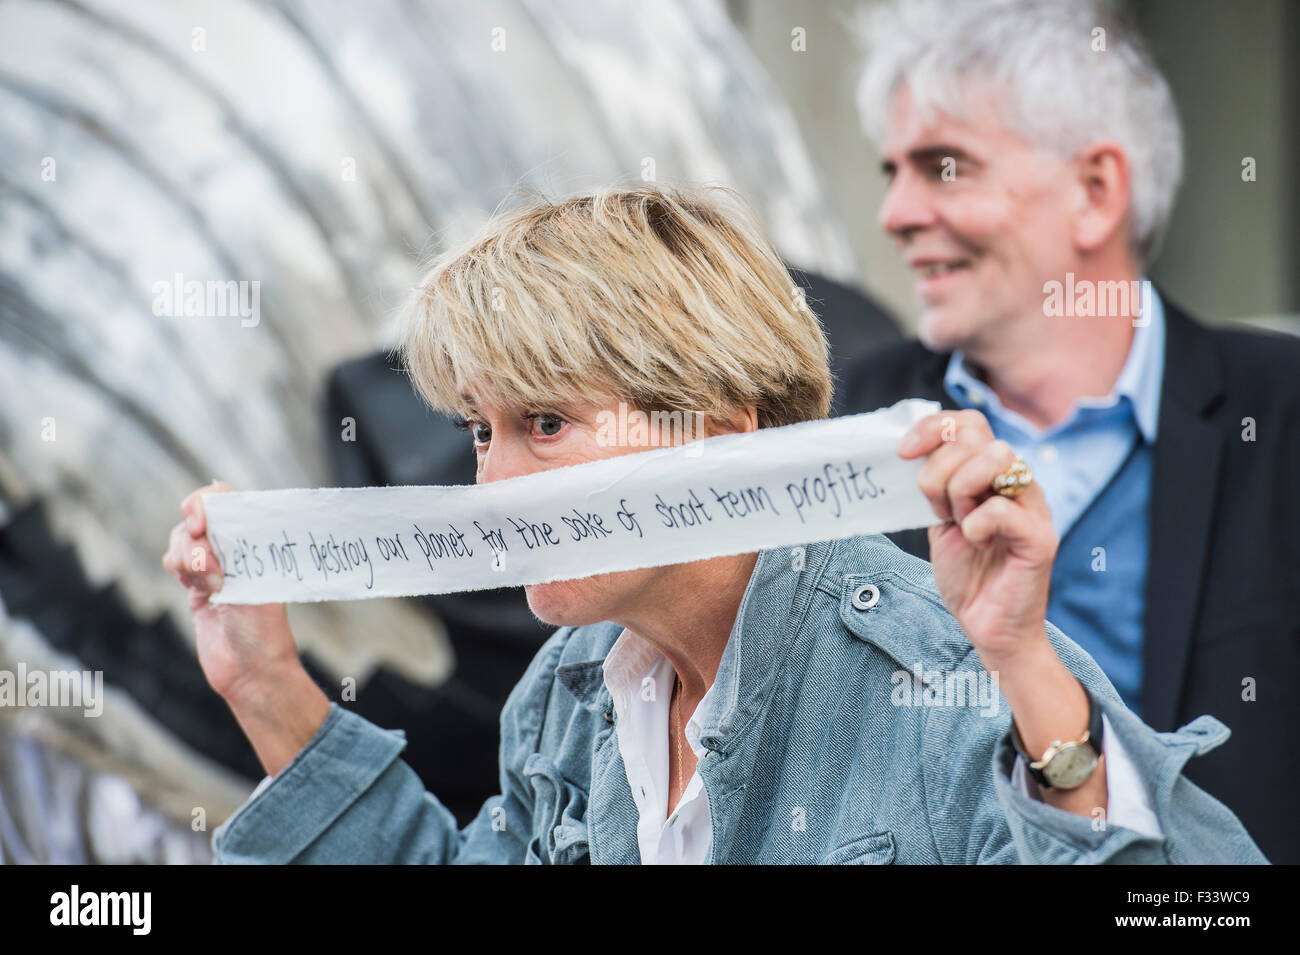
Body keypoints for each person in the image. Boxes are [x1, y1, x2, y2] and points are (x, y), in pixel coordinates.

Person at [162, 183, 1264, 863]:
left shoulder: (941, 668)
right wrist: (265, 684)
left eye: (543, 422)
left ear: (716, 432)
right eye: (480, 429)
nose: (494, 483)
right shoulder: (568, 690)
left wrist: (1021, 664)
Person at [840, 0, 1300, 863]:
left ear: (1094, 193)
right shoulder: (845, 423)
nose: (895, 212)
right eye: (890, 171)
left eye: (943, 167)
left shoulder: (1280, 415)